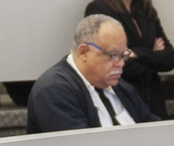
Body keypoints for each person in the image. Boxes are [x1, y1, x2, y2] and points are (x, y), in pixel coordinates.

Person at [84, 0, 174, 120]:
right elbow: (107, 62)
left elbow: (170, 58)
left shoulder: (147, 11)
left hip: (153, 97)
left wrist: (136, 53)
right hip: (120, 95)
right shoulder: (99, 9)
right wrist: (152, 56)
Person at [27, 15, 160, 132]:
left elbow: (154, 130)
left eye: (123, 56)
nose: (121, 64)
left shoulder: (121, 87)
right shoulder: (53, 90)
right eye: (113, 55)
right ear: (84, 52)